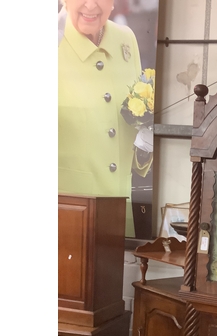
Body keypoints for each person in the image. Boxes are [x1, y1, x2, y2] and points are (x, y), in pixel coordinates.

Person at [58, 0, 153, 237]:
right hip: (68, 210)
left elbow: (133, 115)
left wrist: (145, 146)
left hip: (119, 205)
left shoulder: (125, 38)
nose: (91, 5)